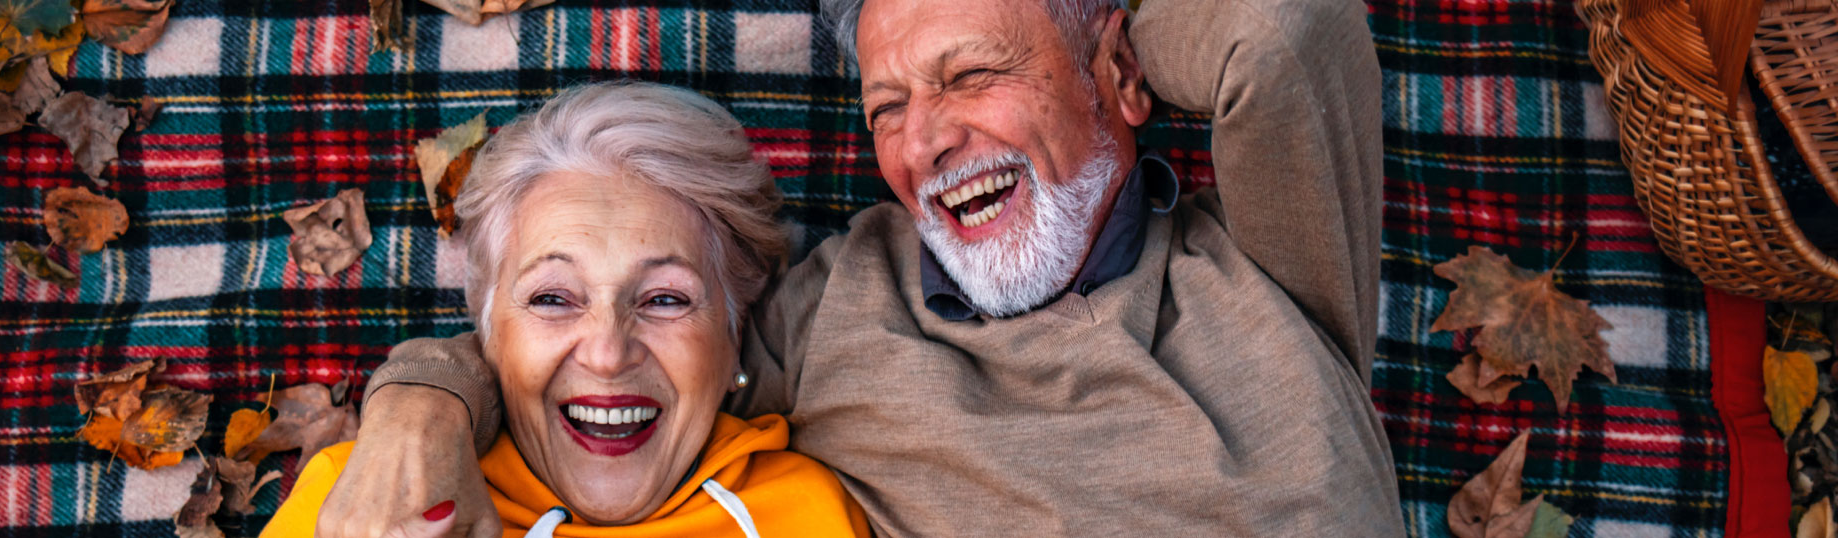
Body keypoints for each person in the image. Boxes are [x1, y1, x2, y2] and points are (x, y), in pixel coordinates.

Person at [322, 0, 1405, 535]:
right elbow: (612, 333)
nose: (926, 140)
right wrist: (421, 404)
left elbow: (1280, 31)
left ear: (1123, 75)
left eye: (972, 74)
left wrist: (1096, 34)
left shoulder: (1272, 268)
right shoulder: (837, 305)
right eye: (889, 107)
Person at [262, 82, 869, 538]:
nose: (607, 354)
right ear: (489, 334)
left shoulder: (810, 512)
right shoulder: (366, 497)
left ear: (735, 334)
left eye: (665, 299)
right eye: (553, 298)